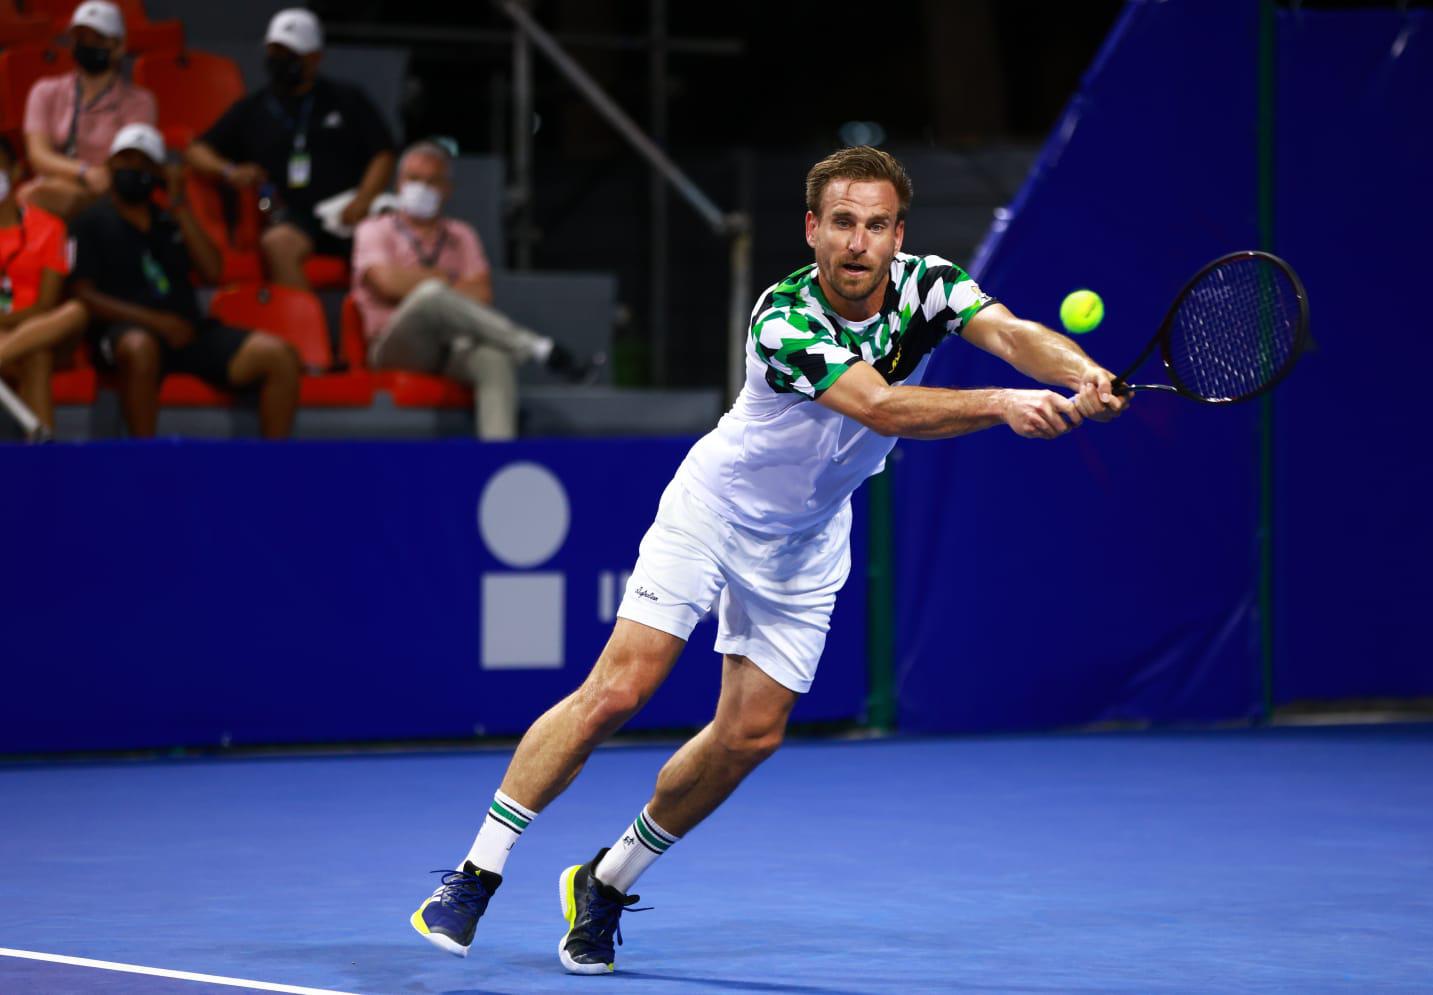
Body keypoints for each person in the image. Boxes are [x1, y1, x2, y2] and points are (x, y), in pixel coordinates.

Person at [408, 146, 1130, 972]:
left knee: (750, 736)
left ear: (899, 234)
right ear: (813, 230)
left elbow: (1008, 333)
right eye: (843, 224)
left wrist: (1083, 373)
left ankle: (605, 883)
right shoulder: (783, 316)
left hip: (808, 539)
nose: (859, 243)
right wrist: (1003, 405)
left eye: (878, 225)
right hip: (714, 511)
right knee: (620, 687)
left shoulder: (930, 284)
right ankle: (476, 872)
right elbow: (881, 405)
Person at [352, 140, 599, 440]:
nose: (421, 188)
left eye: (432, 181)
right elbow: (385, 282)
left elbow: (482, 295)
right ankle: (537, 347)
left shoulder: (462, 235)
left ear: (447, 189)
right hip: (396, 345)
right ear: (399, 182)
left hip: (454, 347)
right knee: (430, 295)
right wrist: (445, 282)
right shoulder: (375, 229)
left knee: (495, 359)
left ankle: (494, 459)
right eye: (413, 179)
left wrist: (420, 281)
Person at [71, 124, 300, 438]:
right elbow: (84, 296)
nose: (133, 168)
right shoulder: (89, 221)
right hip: (125, 332)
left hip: (187, 332)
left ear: (158, 172)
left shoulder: (169, 218)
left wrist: (180, 204)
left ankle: (275, 474)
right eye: (125, 159)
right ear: (110, 164)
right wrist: (157, 322)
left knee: (279, 356)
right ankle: (144, 464)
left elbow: (212, 271)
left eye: (144, 162)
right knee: (140, 348)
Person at [185, 8, 395, 290]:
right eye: (274, 51)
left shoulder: (347, 98)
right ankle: (301, 330)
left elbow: (382, 153)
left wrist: (364, 199)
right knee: (278, 242)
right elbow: (196, 150)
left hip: (349, 209)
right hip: (292, 215)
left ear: (314, 57)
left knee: (397, 236)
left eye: (290, 54)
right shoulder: (253, 108)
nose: (280, 61)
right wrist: (229, 170)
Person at [22, 1, 157, 221]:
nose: (88, 45)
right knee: (39, 197)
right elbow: (38, 155)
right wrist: (83, 171)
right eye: (81, 38)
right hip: (53, 187)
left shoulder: (140, 101)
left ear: (119, 45)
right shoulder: (44, 91)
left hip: (109, 195)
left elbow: (126, 162)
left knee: (44, 197)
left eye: (98, 39)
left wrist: (86, 181)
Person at [0, 136, 89, 431]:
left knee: (75, 311)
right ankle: (44, 462)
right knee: (37, 357)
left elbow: (45, 306)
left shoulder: (50, 228)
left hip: (39, 327)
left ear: (14, 172)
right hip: (14, 341)